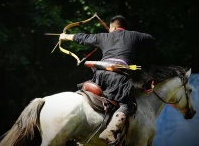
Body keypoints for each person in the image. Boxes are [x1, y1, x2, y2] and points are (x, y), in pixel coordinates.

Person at [59, 15, 156, 144]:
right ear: (123, 27)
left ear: (113, 27)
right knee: (128, 105)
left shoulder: (103, 37)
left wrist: (64, 37)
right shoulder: (134, 35)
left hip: (99, 74)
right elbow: (150, 39)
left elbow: (83, 38)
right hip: (118, 77)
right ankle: (110, 131)